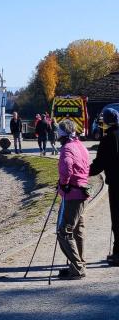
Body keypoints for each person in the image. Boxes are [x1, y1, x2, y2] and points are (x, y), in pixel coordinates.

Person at [56, 119, 90, 280]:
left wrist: (63, 184)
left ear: (62, 134)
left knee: (64, 231)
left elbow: (67, 166)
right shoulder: (80, 146)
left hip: (72, 194)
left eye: (58, 132)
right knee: (77, 230)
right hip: (82, 192)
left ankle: (77, 268)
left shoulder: (67, 148)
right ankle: (79, 263)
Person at [89, 108, 119, 265]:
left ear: (106, 122)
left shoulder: (107, 140)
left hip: (116, 183)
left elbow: (99, 164)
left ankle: (118, 254)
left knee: (117, 218)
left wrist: (83, 172)